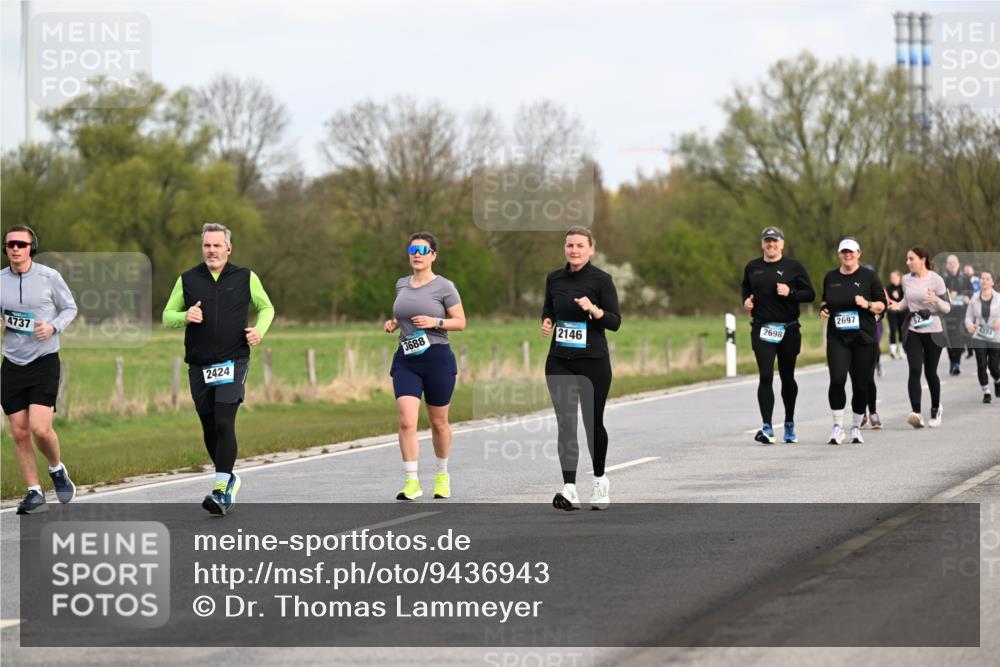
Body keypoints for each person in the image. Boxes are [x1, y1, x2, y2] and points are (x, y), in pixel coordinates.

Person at [162, 223, 274, 515]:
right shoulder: (188, 279)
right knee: (209, 425)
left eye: (216, 245)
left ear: (228, 248)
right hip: (199, 363)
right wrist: (185, 315)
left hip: (233, 360)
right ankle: (229, 476)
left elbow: (267, 308)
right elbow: (167, 315)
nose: (211, 250)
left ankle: (221, 489)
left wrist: (259, 331)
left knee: (224, 421)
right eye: (207, 246)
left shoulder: (245, 277)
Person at [542, 226, 621, 510]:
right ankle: (570, 488)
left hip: (593, 362)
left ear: (591, 249)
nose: (573, 250)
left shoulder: (602, 280)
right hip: (559, 360)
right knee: (566, 423)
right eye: (569, 245)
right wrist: (547, 321)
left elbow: (614, 322)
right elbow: (549, 308)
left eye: (579, 245)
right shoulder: (554, 278)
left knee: (592, 423)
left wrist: (594, 310)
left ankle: (600, 481)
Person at [2, 225, 78, 514]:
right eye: (10, 244)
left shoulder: (49, 276)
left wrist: (52, 326)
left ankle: (57, 469)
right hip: (12, 362)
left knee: (40, 429)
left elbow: (69, 308)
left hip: (44, 360)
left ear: (31, 247)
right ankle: (34, 491)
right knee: (19, 431)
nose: (15, 248)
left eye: (21, 244)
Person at [384, 232, 466, 501]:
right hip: (407, 359)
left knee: (438, 423)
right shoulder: (401, 284)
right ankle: (411, 482)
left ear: (433, 255)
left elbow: (460, 322)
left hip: (437, 358)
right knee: (407, 420)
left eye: (422, 250)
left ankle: (442, 475)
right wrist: (394, 323)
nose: (417, 255)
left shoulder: (445, 286)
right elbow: (403, 315)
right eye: (413, 250)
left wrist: (435, 322)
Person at [741, 226, 815, 444]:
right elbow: (745, 289)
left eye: (774, 241)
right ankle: (767, 426)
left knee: (787, 376)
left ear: (782, 244)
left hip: (788, 329)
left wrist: (790, 292)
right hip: (762, 328)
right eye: (767, 241)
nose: (771, 244)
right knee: (765, 375)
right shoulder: (752, 267)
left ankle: (789, 422)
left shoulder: (794, 267)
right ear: (762, 244)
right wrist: (746, 301)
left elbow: (810, 294)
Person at [819, 238, 886, 445]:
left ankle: (856, 426)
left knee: (861, 385)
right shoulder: (831, 277)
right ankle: (837, 427)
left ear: (859, 254)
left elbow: (882, 305)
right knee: (837, 379)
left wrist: (867, 304)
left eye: (851, 252)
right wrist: (824, 309)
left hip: (864, 338)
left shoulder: (869, 276)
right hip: (838, 337)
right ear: (839, 254)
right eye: (844, 252)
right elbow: (825, 300)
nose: (848, 255)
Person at [890, 246, 951, 428]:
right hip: (914, 329)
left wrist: (936, 300)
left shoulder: (936, 279)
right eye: (907, 259)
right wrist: (897, 305)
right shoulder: (906, 279)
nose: (907, 262)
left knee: (930, 372)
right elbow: (907, 301)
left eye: (911, 259)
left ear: (922, 260)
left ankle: (935, 408)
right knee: (915, 369)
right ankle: (916, 413)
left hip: (934, 330)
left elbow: (948, 308)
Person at [965, 270, 1000, 404]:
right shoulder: (974, 298)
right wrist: (970, 326)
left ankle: (997, 380)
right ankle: (986, 392)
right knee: (981, 364)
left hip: (996, 337)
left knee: (994, 366)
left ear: (992, 282)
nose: (984, 281)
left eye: (987, 278)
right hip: (979, 336)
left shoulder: (999, 298)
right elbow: (968, 317)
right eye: (982, 278)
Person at [942, 254, 973, 375]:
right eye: (950, 263)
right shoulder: (943, 279)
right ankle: (952, 361)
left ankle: (957, 364)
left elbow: (972, 293)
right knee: (949, 339)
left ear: (958, 264)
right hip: (947, 313)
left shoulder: (964, 278)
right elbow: (938, 296)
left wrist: (967, 297)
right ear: (947, 265)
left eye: (954, 262)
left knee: (959, 338)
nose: (952, 265)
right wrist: (948, 296)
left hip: (961, 312)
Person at [886, 270, 906, 360]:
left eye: (894, 277)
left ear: (899, 277)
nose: (892, 279)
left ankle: (901, 351)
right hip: (892, 313)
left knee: (902, 330)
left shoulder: (904, 287)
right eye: (891, 277)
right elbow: (886, 299)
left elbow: (906, 299)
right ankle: (893, 351)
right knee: (893, 330)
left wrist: (899, 296)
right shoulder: (888, 288)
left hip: (903, 312)